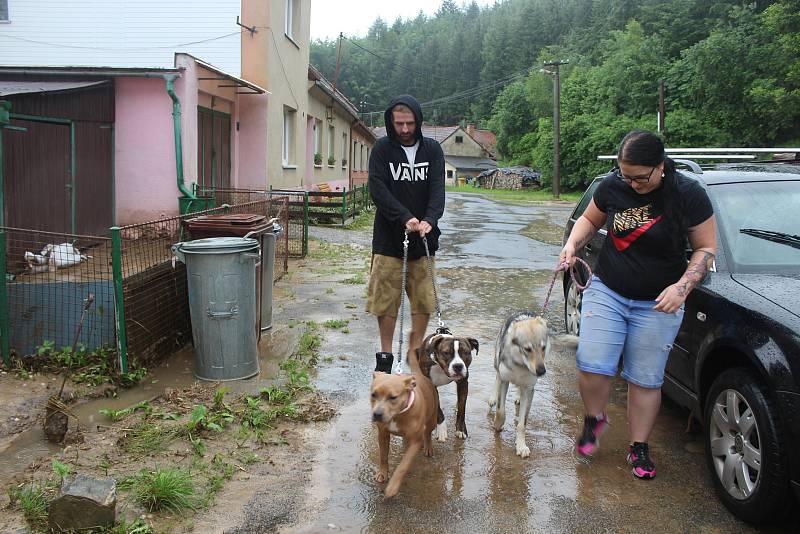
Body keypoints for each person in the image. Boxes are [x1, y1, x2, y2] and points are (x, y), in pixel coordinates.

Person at [560, 130, 716, 479]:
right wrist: (572, 246)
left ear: (661, 166)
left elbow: (705, 249)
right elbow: (588, 220)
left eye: (639, 177)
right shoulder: (614, 186)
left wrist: (682, 287)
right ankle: (594, 419)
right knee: (591, 363)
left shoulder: (687, 194)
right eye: (625, 175)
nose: (631, 184)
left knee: (645, 379)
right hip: (609, 288)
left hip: (659, 302)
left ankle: (639, 447)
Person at [366, 95, 445, 374]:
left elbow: (438, 189)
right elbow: (377, 189)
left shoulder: (433, 150)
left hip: (424, 241)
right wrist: (404, 217)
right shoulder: (382, 149)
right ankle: (386, 355)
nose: (404, 129)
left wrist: (429, 220)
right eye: (398, 123)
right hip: (389, 241)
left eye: (410, 123)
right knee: (385, 301)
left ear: (418, 121)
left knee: (424, 298)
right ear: (391, 121)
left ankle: (415, 351)